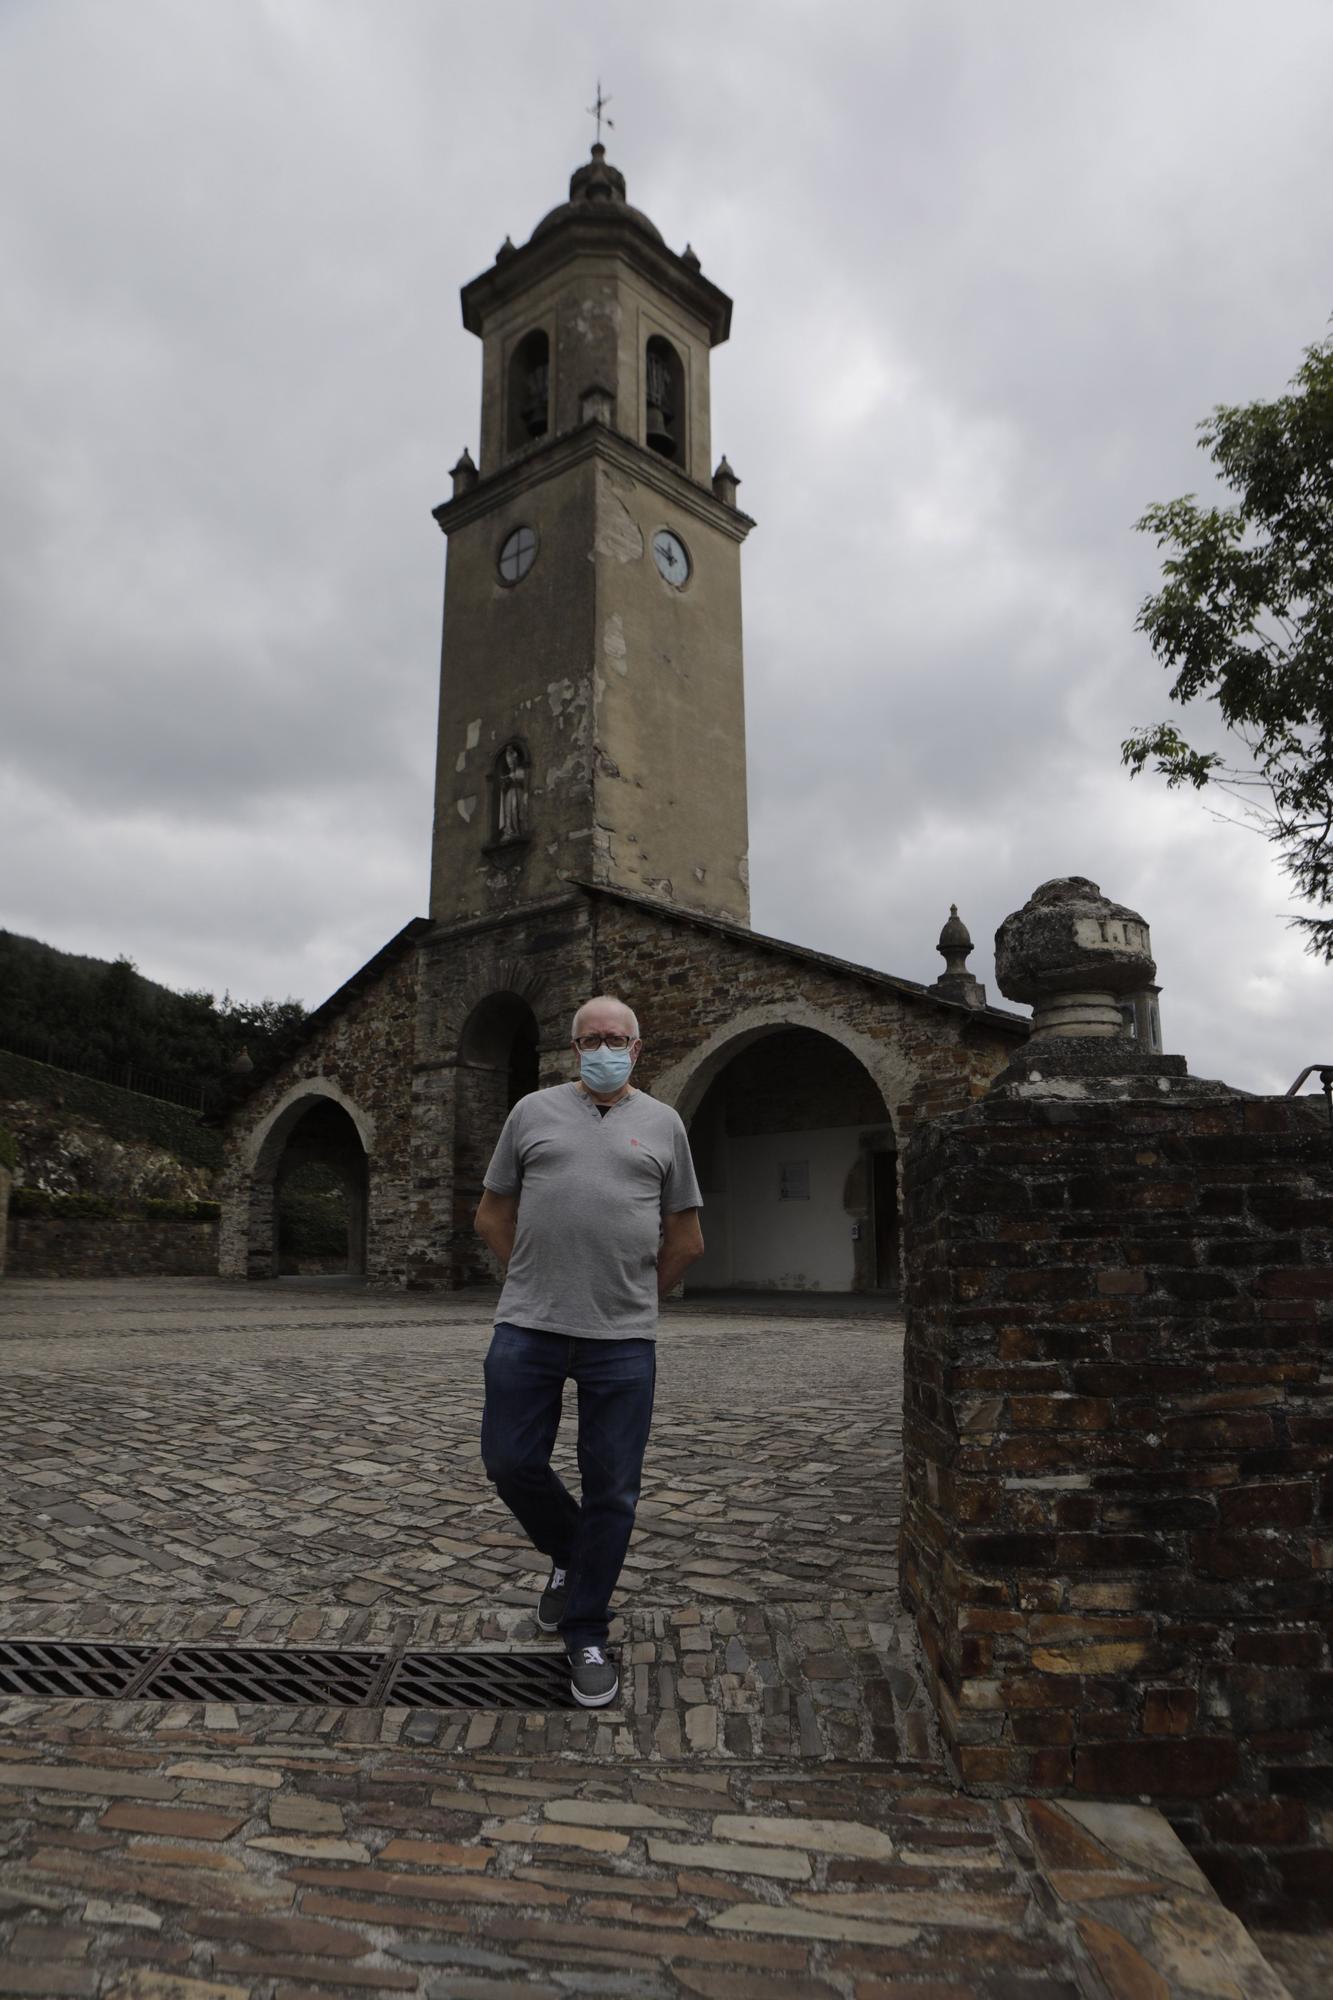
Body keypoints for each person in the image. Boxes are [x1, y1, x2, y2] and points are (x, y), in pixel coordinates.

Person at [474, 995, 705, 1707]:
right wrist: (531, 1276)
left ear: (637, 1049)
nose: (603, 1048)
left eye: (616, 1038)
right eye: (590, 1039)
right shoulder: (530, 1114)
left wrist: (639, 1298)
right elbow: (492, 1212)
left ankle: (586, 1628)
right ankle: (575, 1556)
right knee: (509, 1460)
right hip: (528, 1324)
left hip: (622, 1340)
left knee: (613, 1487)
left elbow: (686, 1235)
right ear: (573, 1048)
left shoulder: (663, 1125)